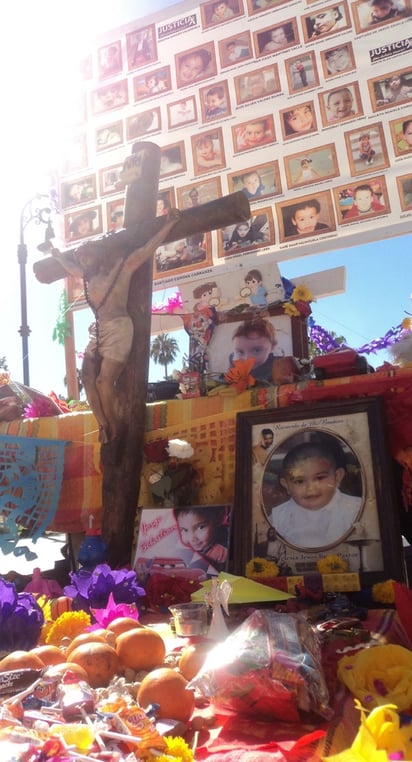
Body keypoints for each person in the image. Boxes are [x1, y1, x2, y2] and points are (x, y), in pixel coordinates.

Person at [52, 212, 181, 444]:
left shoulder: (122, 269)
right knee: (88, 378)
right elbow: (70, 268)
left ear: (98, 255)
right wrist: (59, 257)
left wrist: (169, 224)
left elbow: (146, 250)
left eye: (86, 257)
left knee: (104, 382)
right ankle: (104, 424)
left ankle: (115, 428)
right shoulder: (86, 277)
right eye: (80, 258)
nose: (82, 262)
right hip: (99, 330)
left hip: (120, 328)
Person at [270, 441, 362, 547]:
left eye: (320, 478)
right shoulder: (278, 517)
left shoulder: (356, 510)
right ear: (286, 485)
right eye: (299, 481)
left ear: (337, 477)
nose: (310, 489)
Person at [228, 318, 298, 383]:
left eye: (256, 350)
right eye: (240, 352)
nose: (247, 359)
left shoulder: (278, 366)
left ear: (272, 347)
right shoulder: (233, 359)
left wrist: (286, 382)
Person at [173, 505, 229, 574]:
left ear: (218, 519)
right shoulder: (181, 549)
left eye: (201, 527)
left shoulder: (223, 550)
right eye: (185, 530)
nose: (192, 538)